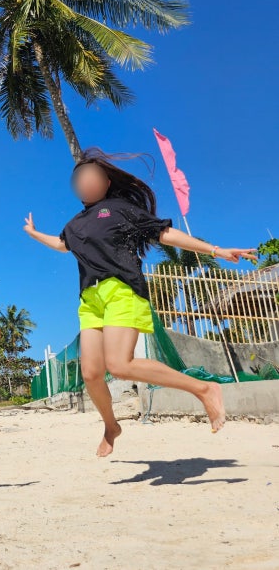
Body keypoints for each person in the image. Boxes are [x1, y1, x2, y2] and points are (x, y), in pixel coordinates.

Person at [23, 150, 256, 457]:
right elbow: (61, 245)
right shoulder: (74, 224)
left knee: (120, 365)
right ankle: (111, 426)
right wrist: (34, 233)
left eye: (92, 176)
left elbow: (164, 233)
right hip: (90, 299)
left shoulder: (119, 209)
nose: (85, 182)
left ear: (106, 182)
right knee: (91, 373)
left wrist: (215, 250)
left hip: (122, 290)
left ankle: (204, 388)